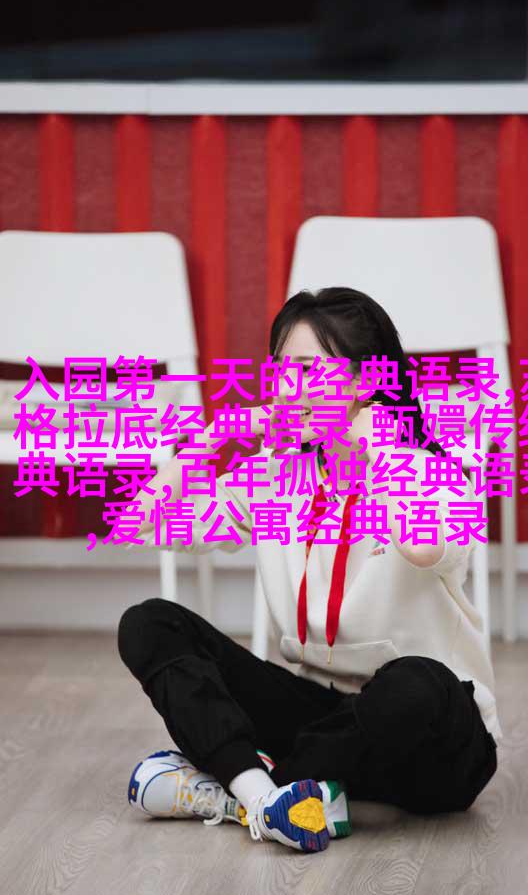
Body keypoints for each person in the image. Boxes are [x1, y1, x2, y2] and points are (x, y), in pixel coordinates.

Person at [117, 286, 501, 854]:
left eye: (306, 370)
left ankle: (243, 784)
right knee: (148, 623)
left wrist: (374, 447)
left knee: (417, 683)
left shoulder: (428, 471)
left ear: (364, 381)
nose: (285, 388)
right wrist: (209, 441)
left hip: (433, 748)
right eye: (280, 370)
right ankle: (264, 798)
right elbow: (141, 523)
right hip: (321, 718)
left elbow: (424, 545)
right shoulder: (275, 478)